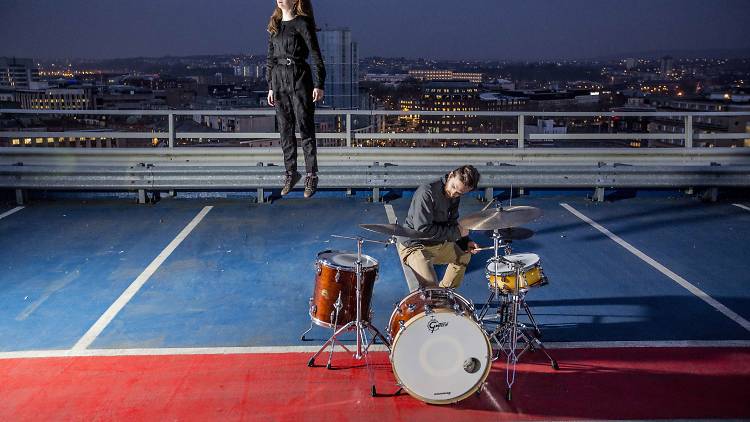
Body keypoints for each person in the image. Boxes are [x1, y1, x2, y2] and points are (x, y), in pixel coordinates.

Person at [266, 0, 325, 198]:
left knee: (305, 128)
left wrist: (319, 84)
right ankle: (291, 173)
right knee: (285, 130)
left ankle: (311, 175)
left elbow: (315, 55)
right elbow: (270, 58)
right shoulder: (275, 23)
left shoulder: (303, 23)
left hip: (300, 78)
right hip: (279, 80)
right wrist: (271, 87)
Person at [397, 165, 481, 292]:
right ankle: (436, 295)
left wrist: (465, 241)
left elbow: (452, 223)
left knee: (464, 254)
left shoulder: (454, 197)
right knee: (431, 287)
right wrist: (457, 232)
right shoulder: (427, 192)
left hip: (435, 245)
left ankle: (446, 293)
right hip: (414, 246)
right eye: (453, 187)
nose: (453, 193)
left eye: (459, 193)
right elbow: (423, 230)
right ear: (451, 175)